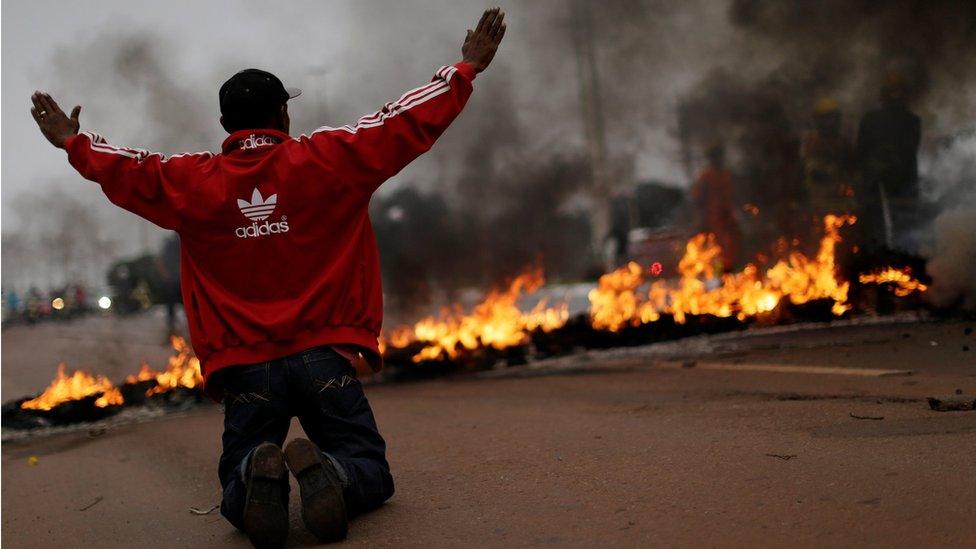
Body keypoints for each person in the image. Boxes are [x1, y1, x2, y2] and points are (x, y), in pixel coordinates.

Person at [30, 8, 506, 547]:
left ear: (226, 125)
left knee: (236, 482)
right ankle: (339, 476)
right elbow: (398, 122)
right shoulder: (329, 158)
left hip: (247, 371)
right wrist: (464, 69)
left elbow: (131, 167)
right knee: (368, 465)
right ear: (282, 114)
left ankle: (256, 477)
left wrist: (74, 141)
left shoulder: (191, 182)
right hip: (325, 358)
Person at [856, 73, 921, 253]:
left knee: (906, 225)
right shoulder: (870, 120)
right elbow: (861, 149)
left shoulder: (912, 121)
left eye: (900, 92)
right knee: (874, 222)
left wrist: (890, 161)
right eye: (892, 92)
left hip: (904, 179)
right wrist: (872, 168)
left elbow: (909, 150)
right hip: (874, 178)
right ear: (884, 95)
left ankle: (907, 262)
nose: (896, 96)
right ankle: (877, 260)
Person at [690, 143, 740, 272]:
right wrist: (701, 219)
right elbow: (697, 198)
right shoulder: (706, 177)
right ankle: (719, 274)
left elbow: (731, 196)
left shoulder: (726, 175)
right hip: (713, 220)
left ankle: (730, 273)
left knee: (730, 248)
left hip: (726, 218)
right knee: (716, 250)